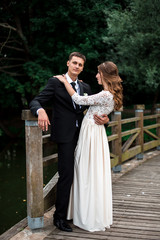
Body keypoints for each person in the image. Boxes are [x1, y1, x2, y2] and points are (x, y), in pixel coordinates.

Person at [29, 52, 109, 232]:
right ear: (68, 63)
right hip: (65, 138)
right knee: (66, 176)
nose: (77, 67)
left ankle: (79, 213)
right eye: (74, 63)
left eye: (80, 64)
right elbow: (36, 100)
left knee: (84, 174)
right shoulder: (55, 82)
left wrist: (106, 120)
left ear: (82, 68)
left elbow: (98, 108)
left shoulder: (85, 86)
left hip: (84, 137)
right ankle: (60, 217)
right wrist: (40, 110)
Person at [55, 61, 123, 232]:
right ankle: (81, 211)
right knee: (87, 171)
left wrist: (65, 82)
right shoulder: (107, 95)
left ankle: (87, 214)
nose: (96, 76)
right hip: (93, 134)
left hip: (91, 135)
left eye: (98, 73)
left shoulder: (105, 94)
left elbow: (78, 99)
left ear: (105, 75)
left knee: (86, 171)